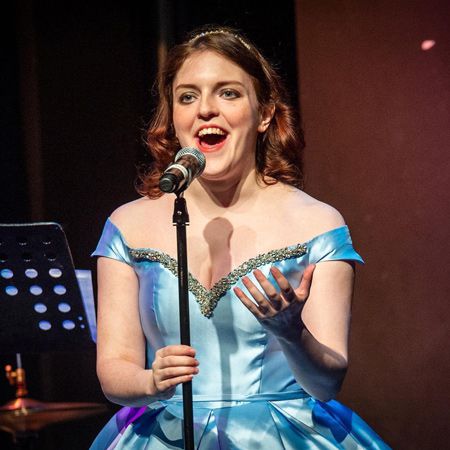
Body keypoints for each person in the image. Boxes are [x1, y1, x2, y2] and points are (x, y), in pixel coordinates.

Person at [89, 25, 389, 449]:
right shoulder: (128, 225)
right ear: (173, 117)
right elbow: (113, 371)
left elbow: (326, 384)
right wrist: (150, 381)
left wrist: (292, 333)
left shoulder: (316, 224)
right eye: (187, 97)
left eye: (228, 93)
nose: (205, 109)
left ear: (264, 113)